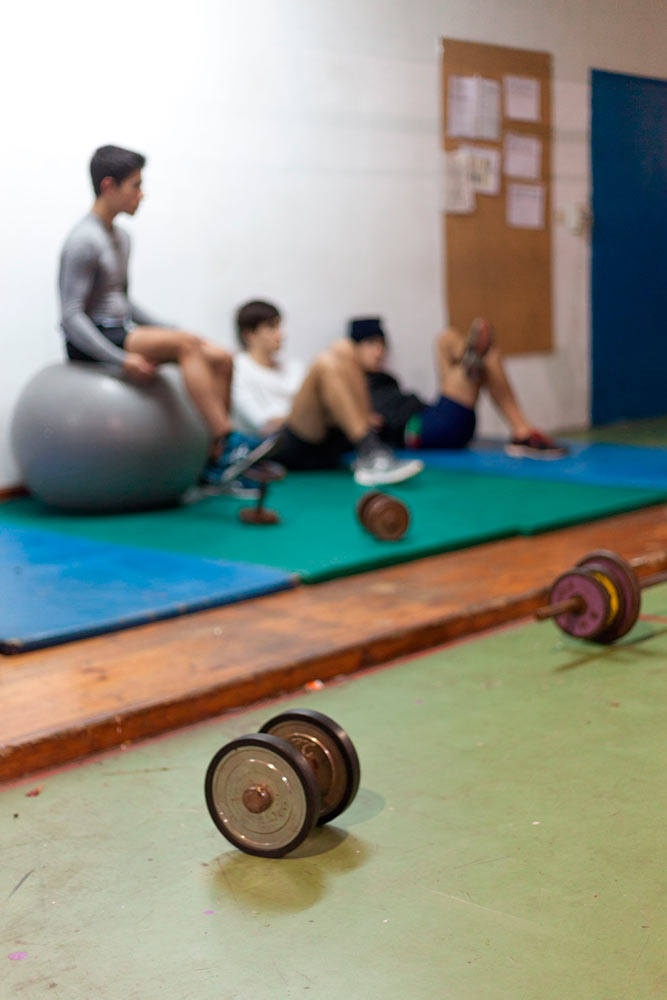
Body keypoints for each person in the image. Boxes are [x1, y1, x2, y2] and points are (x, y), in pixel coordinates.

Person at [58, 145, 233, 462]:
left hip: (120, 329)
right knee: (186, 346)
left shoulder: (122, 238)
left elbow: (123, 301)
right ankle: (227, 438)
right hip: (90, 339)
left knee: (221, 358)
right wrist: (120, 360)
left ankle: (216, 461)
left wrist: (171, 328)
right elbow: (70, 316)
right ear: (109, 186)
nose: (142, 194)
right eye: (136, 185)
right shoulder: (83, 239)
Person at [230, 300, 423, 487]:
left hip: (321, 441)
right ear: (249, 335)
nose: (281, 334)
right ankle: (371, 450)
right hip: (280, 446)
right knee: (325, 362)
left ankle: (370, 449)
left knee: (344, 347)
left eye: (280, 326)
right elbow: (265, 425)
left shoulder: (292, 367)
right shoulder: (239, 369)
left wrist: (347, 411)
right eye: (272, 327)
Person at [348, 316, 568, 458]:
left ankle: (472, 359)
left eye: (380, 344)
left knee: (445, 340)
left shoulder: (386, 379)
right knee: (487, 357)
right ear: (353, 349)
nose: (378, 352)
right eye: (369, 344)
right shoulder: (350, 386)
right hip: (420, 432)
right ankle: (473, 362)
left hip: (434, 417)